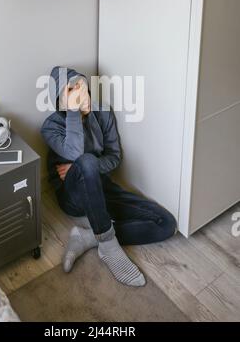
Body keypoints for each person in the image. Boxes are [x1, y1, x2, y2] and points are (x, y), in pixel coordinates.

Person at [41, 67, 177, 288]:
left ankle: (87, 237)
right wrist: (74, 112)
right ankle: (106, 243)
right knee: (84, 160)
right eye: (70, 89)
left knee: (166, 224)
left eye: (80, 84)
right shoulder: (51, 126)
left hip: (102, 186)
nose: (78, 91)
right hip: (72, 195)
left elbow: (114, 157)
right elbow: (77, 154)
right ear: (59, 99)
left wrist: (92, 166)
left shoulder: (103, 112)